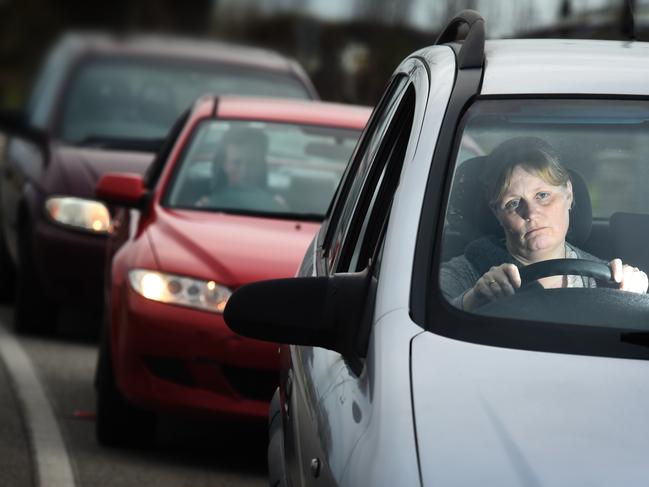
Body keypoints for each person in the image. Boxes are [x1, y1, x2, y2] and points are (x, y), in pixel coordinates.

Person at [441, 136, 648, 311]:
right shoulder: (464, 273)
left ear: (568, 193)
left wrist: (635, 299)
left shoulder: (609, 279)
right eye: (513, 203)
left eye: (542, 195)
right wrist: (474, 299)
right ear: (497, 213)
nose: (531, 212)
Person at [197, 126, 286, 211]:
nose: (244, 171)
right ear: (224, 164)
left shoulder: (275, 206)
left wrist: (282, 211)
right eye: (236, 163)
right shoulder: (207, 205)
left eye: (252, 163)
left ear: (261, 166)